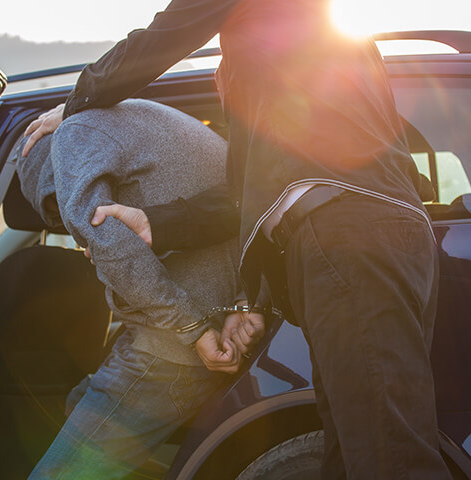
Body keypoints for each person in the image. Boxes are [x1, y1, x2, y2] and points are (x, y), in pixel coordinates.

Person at [22, 0, 452, 478]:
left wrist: (76, 102)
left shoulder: (300, 60)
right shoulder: (329, 49)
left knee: (389, 459)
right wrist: (162, 227)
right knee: (351, 453)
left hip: (346, 240)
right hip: (393, 237)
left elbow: (161, 37)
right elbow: (246, 199)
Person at [16, 98, 260, 479]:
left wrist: (190, 327)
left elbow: (106, 238)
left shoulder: (70, 139)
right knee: (74, 404)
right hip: (215, 327)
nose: (75, 239)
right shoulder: (141, 118)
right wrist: (244, 302)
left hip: (172, 353)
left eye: (58, 212)